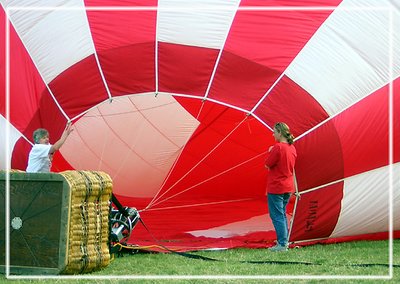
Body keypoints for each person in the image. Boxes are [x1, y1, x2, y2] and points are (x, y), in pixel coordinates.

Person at [265, 122, 297, 252]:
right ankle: (283, 241)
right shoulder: (292, 148)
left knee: (277, 215)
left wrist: (270, 151)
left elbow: (268, 164)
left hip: (277, 187)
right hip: (288, 187)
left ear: (279, 132)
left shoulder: (278, 147)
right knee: (282, 214)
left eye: (274, 132)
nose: (273, 134)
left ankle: (282, 244)